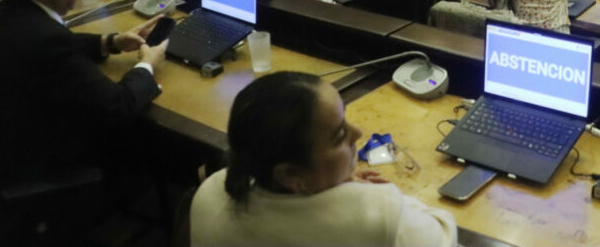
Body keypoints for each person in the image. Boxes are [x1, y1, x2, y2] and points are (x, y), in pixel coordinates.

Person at [0, 0, 165, 192]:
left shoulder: (4, 13)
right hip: (42, 168)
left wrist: (109, 42)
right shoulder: (48, 41)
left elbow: (56, 47)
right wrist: (147, 65)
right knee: (153, 144)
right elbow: (118, 106)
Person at [191, 71, 457, 246]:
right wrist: (375, 195)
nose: (358, 132)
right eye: (339, 134)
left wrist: (330, 183)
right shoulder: (375, 214)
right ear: (292, 175)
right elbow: (443, 232)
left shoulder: (209, 192)